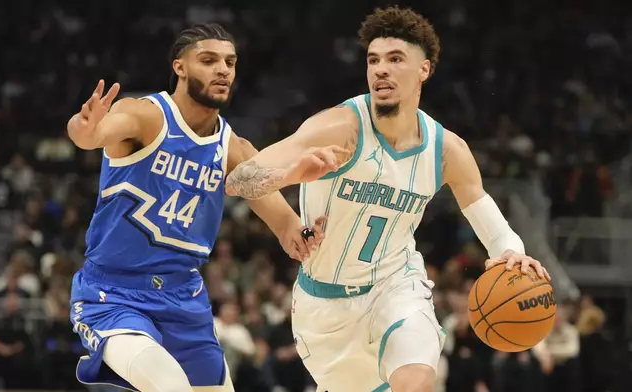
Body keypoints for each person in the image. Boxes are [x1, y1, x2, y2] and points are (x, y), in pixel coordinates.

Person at [225, 6, 551, 392]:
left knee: (416, 382)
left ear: (424, 70)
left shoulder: (447, 150)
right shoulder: (338, 127)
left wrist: (511, 249)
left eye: (396, 59)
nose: (381, 69)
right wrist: (294, 173)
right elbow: (239, 181)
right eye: (374, 60)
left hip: (397, 286)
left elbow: (482, 211)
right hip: (324, 308)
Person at [66, 23, 331, 392]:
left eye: (230, 62)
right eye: (208, 60)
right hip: (115, 294)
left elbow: (286, 224)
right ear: (180, 67)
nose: (223, 70)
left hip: (184, 300)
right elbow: (93, 134)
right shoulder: (146, 116)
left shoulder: (233, 148)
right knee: (169, 385)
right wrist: (84, 127)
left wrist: (305, 234)